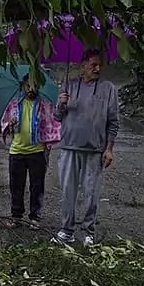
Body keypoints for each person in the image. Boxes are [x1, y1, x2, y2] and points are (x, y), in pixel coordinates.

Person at [53, 49, 120, 246]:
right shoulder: (69, 85)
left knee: (91, 194)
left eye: (100, 65)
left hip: (95, 149)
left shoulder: (108, 89)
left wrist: (109, 149)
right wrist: (61, 104)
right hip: (69, 146)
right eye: (93, 65)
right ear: (83, 66)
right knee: (68, 191)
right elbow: (57, 118)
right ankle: (66, 230)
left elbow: (113, 121)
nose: (97, 68)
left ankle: (88, 232)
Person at [0, 72, 61, 228]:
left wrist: (48, 147)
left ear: (39, 87)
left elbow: (53, 124)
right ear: (23, 86)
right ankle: (16, 216)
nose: (31, 89)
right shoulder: (14, 104)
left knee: (37, 186)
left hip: (37, 151)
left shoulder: (45, 105)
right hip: (16, 151)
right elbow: (4, 123)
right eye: (28, 86)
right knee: (16, 186)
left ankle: (35, 217)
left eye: (34, 86)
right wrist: (10, 124)